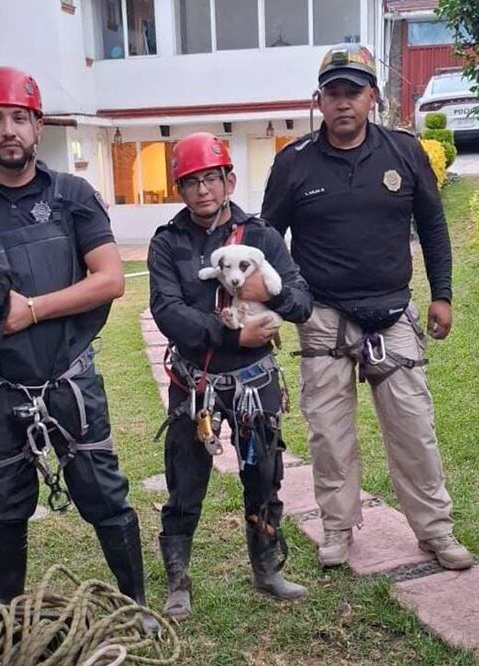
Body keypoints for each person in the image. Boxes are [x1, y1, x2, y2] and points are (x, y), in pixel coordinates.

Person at [0, 67, 153, 625]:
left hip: (68, 376)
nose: (8, 130)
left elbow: (110, 278)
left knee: (104, 495)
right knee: (7, 506)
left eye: (20, 118)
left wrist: (31, 310)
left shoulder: (73, 196)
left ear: (38, 126)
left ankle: (137, 609)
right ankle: (11, 619)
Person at [261, 44, 473, 570]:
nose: (343, 103)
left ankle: (435, 532)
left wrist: (441, 295)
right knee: (329, 437)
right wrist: (291, 302)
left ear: (372, 96)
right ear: (319, 100)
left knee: (414, 431)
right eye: (332, 93)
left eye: (353, 92)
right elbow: (268, 239)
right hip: (324, 318)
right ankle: (337, 529)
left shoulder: (405, 152)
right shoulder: (293, 163)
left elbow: (433, 228)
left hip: (392, 314)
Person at [148, 132, 313, 619]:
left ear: (229, 180)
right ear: (180, 188)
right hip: (194, 382)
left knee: (263, 475)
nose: (202, 190)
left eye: (211, 179)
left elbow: (301, 301)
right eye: (191, 181)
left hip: (254, 382)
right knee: (185, 480)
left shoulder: (260, 237)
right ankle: (178, 579)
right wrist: (230, 338)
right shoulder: (168, 242)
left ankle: (266, 568)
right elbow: (167, 311)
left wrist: (270, 291)